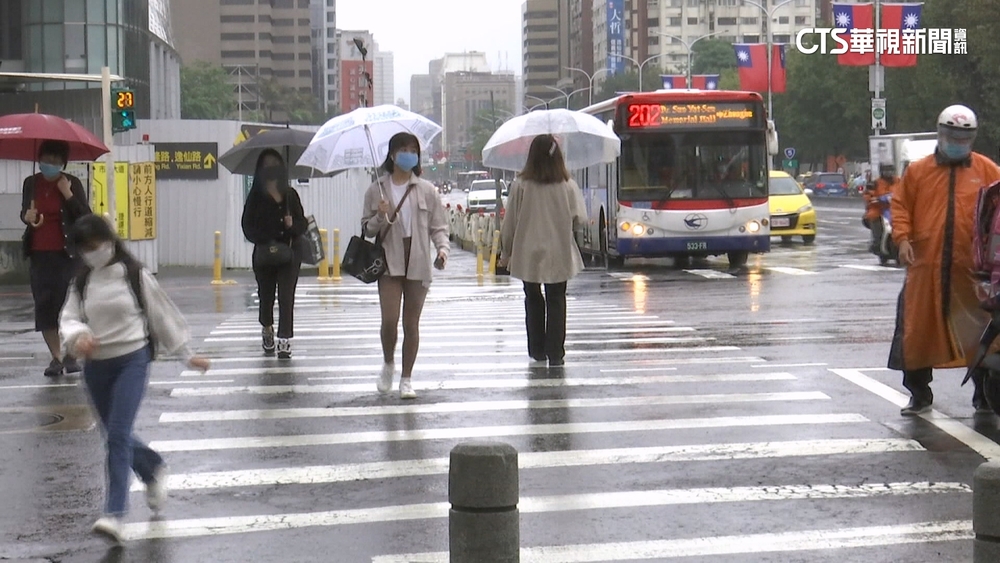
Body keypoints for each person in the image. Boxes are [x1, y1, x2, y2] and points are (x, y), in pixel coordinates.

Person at [58, 214, 210, 544]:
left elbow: (161, 315)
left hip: (132, 360)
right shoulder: (82, 281)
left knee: (117, 434)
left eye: (96, 244)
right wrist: (78, 336)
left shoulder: (134, 274)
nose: (92, 252)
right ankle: (152, 467)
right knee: (114, 435)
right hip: (96, 367)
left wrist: (186, 354)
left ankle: (114, 513)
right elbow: (68, 318)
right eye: (85, 248)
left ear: (110, 240)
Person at [889, 104, 1000, 416]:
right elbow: (901, 206)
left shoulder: (987, 171)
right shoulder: (918, 172)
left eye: (963, 137)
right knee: (917, 332)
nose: (957, 142)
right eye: (952, 136)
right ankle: (919, 394)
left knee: (981, 334)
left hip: (972, 271)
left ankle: (984, 395)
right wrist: (902, 239)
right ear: (940, 134)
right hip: (926, 268)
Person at [361, 132, 450, 399]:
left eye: (413, 151)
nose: (409, 155)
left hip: (419, 260)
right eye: (403, 150)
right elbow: (367, 229)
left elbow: (439, 226)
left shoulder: (427, 190)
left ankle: (407, 378)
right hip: (389, 260)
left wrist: (442, 250)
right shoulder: (376, 189)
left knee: (411, 324)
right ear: (392, 154)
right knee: (389, 321)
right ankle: (388, 362)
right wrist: (380, 215)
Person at [499, 134, 587, 367]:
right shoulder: (567, 185)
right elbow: (580, 218)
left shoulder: (521, 185)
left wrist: (505, 251)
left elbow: (510, 222)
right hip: (559, 250)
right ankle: (556, 351)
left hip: (528, 251)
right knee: (556, 298)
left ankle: (537, 349)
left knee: (533, 298)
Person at [20, 140, 91, 377]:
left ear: (63, 163)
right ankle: (56, 357)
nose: (49, 165)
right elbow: (25, 213)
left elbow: (84, 217)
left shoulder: (72, 183)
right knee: (45, 306)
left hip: (67, 255)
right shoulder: (31, 183)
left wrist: (67, 194)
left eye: (54, 161)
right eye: (45, 160)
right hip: (39, 254)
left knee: (69, 306)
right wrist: (27, 216)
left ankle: (71, 354)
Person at [241, 150, 308, 359]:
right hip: (264, 254)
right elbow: (247, 226)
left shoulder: (290, 195)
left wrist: (291, 225)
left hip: (289, 252)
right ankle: (267, 327)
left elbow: (303, 224)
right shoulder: (256, 196)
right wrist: (265, 238)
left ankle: (285, 338)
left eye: (275, 164)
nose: (271, 168)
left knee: (286, 296)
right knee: (266, 295)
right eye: (267, 164)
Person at [863, 164, 899, 252]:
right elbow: (868, 195)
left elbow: (907, 191)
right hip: (879, 209)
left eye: (891, 171)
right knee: (873, 216)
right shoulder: (874, 183)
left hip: (896, 209)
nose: (889, 173)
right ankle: (877, 243)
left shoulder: (899, 181)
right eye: (886, 171)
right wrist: (873, 199)